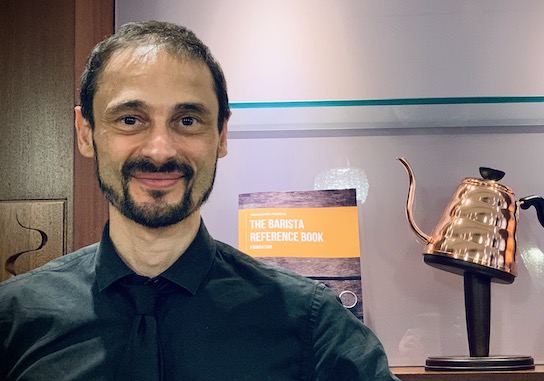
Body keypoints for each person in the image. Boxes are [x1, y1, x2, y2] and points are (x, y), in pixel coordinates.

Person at [0, 20, 400, 381]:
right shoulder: (14, 318)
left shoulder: (310, 321)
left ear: (222, 135)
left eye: (187, 120)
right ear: (85, 133)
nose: (159, 151)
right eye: (130, 119)